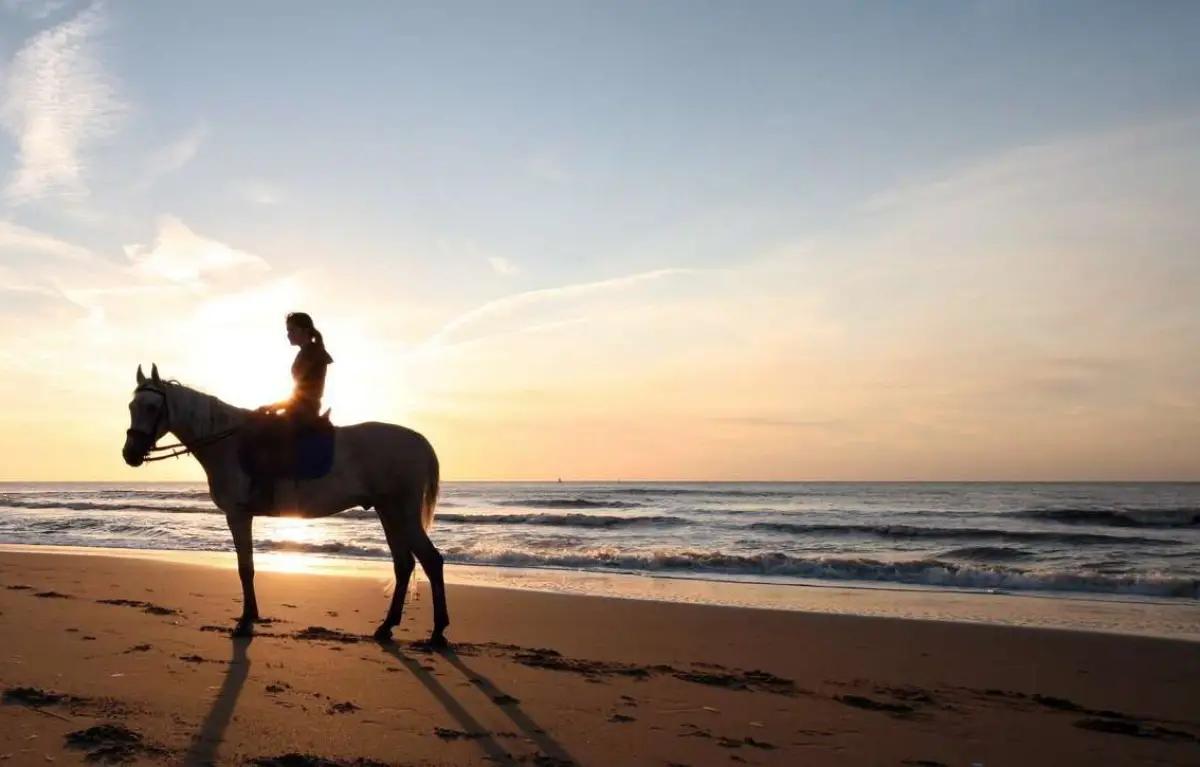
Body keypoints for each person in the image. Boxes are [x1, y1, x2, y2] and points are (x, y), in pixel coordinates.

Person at [242, 312, 335, 513]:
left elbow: (304, 392)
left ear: (303, 330)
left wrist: (277, 406)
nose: (288, 334)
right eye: (288, 331)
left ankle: (266, 492)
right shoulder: (306, 352)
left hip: (304, 410)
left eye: (291, 330)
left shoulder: (312, 353)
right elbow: (297, 391)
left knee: (264, 434)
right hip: (298, 406)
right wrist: (275, 405)